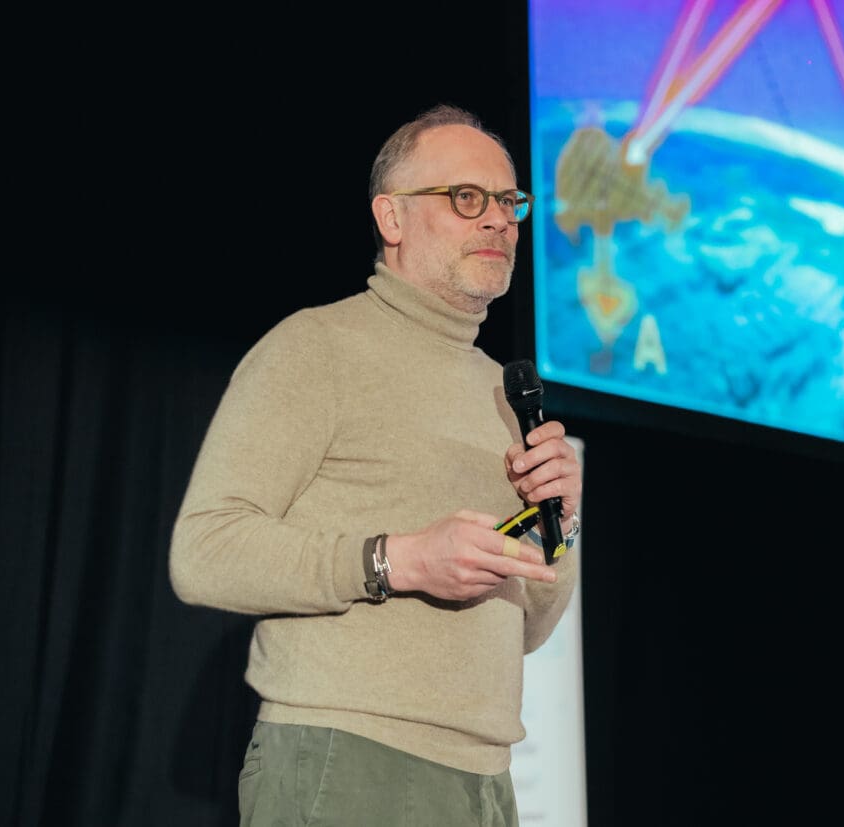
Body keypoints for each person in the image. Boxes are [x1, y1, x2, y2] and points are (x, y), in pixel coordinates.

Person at [169, 103, 582, 826]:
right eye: (467, 197)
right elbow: (203, 553)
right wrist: (400, 560)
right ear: (392, 217)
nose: (498, 220)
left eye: (509, 201)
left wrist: (561, 524)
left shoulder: (503, 393)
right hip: (348, 757)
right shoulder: (317, 347)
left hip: (489, 779)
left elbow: (527, 628)